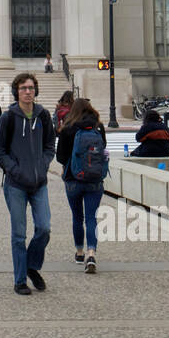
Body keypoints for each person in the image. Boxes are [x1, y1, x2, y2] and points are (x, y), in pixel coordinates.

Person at [0, 72, 56, 295]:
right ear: (16, 92)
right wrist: (15, 169)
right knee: (19, 234)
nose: (28, 92)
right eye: (23, 88)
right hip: (16, 185)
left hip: (39, 182)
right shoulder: (7, 117)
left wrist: (44, 164)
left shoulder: (44, 115)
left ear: (35, 90)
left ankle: (31, 266)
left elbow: (50, 145)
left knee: (44, 228)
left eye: (30, 88)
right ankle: (20, 279)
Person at [56, 98, 109, 273]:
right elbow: (103, 150)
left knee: (77, 217)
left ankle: (79, 252)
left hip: (73, 179)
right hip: (94, 180)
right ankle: (91, 252)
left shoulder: (68, 128)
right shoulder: (98, 127)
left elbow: (61, 157)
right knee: (91, 217)